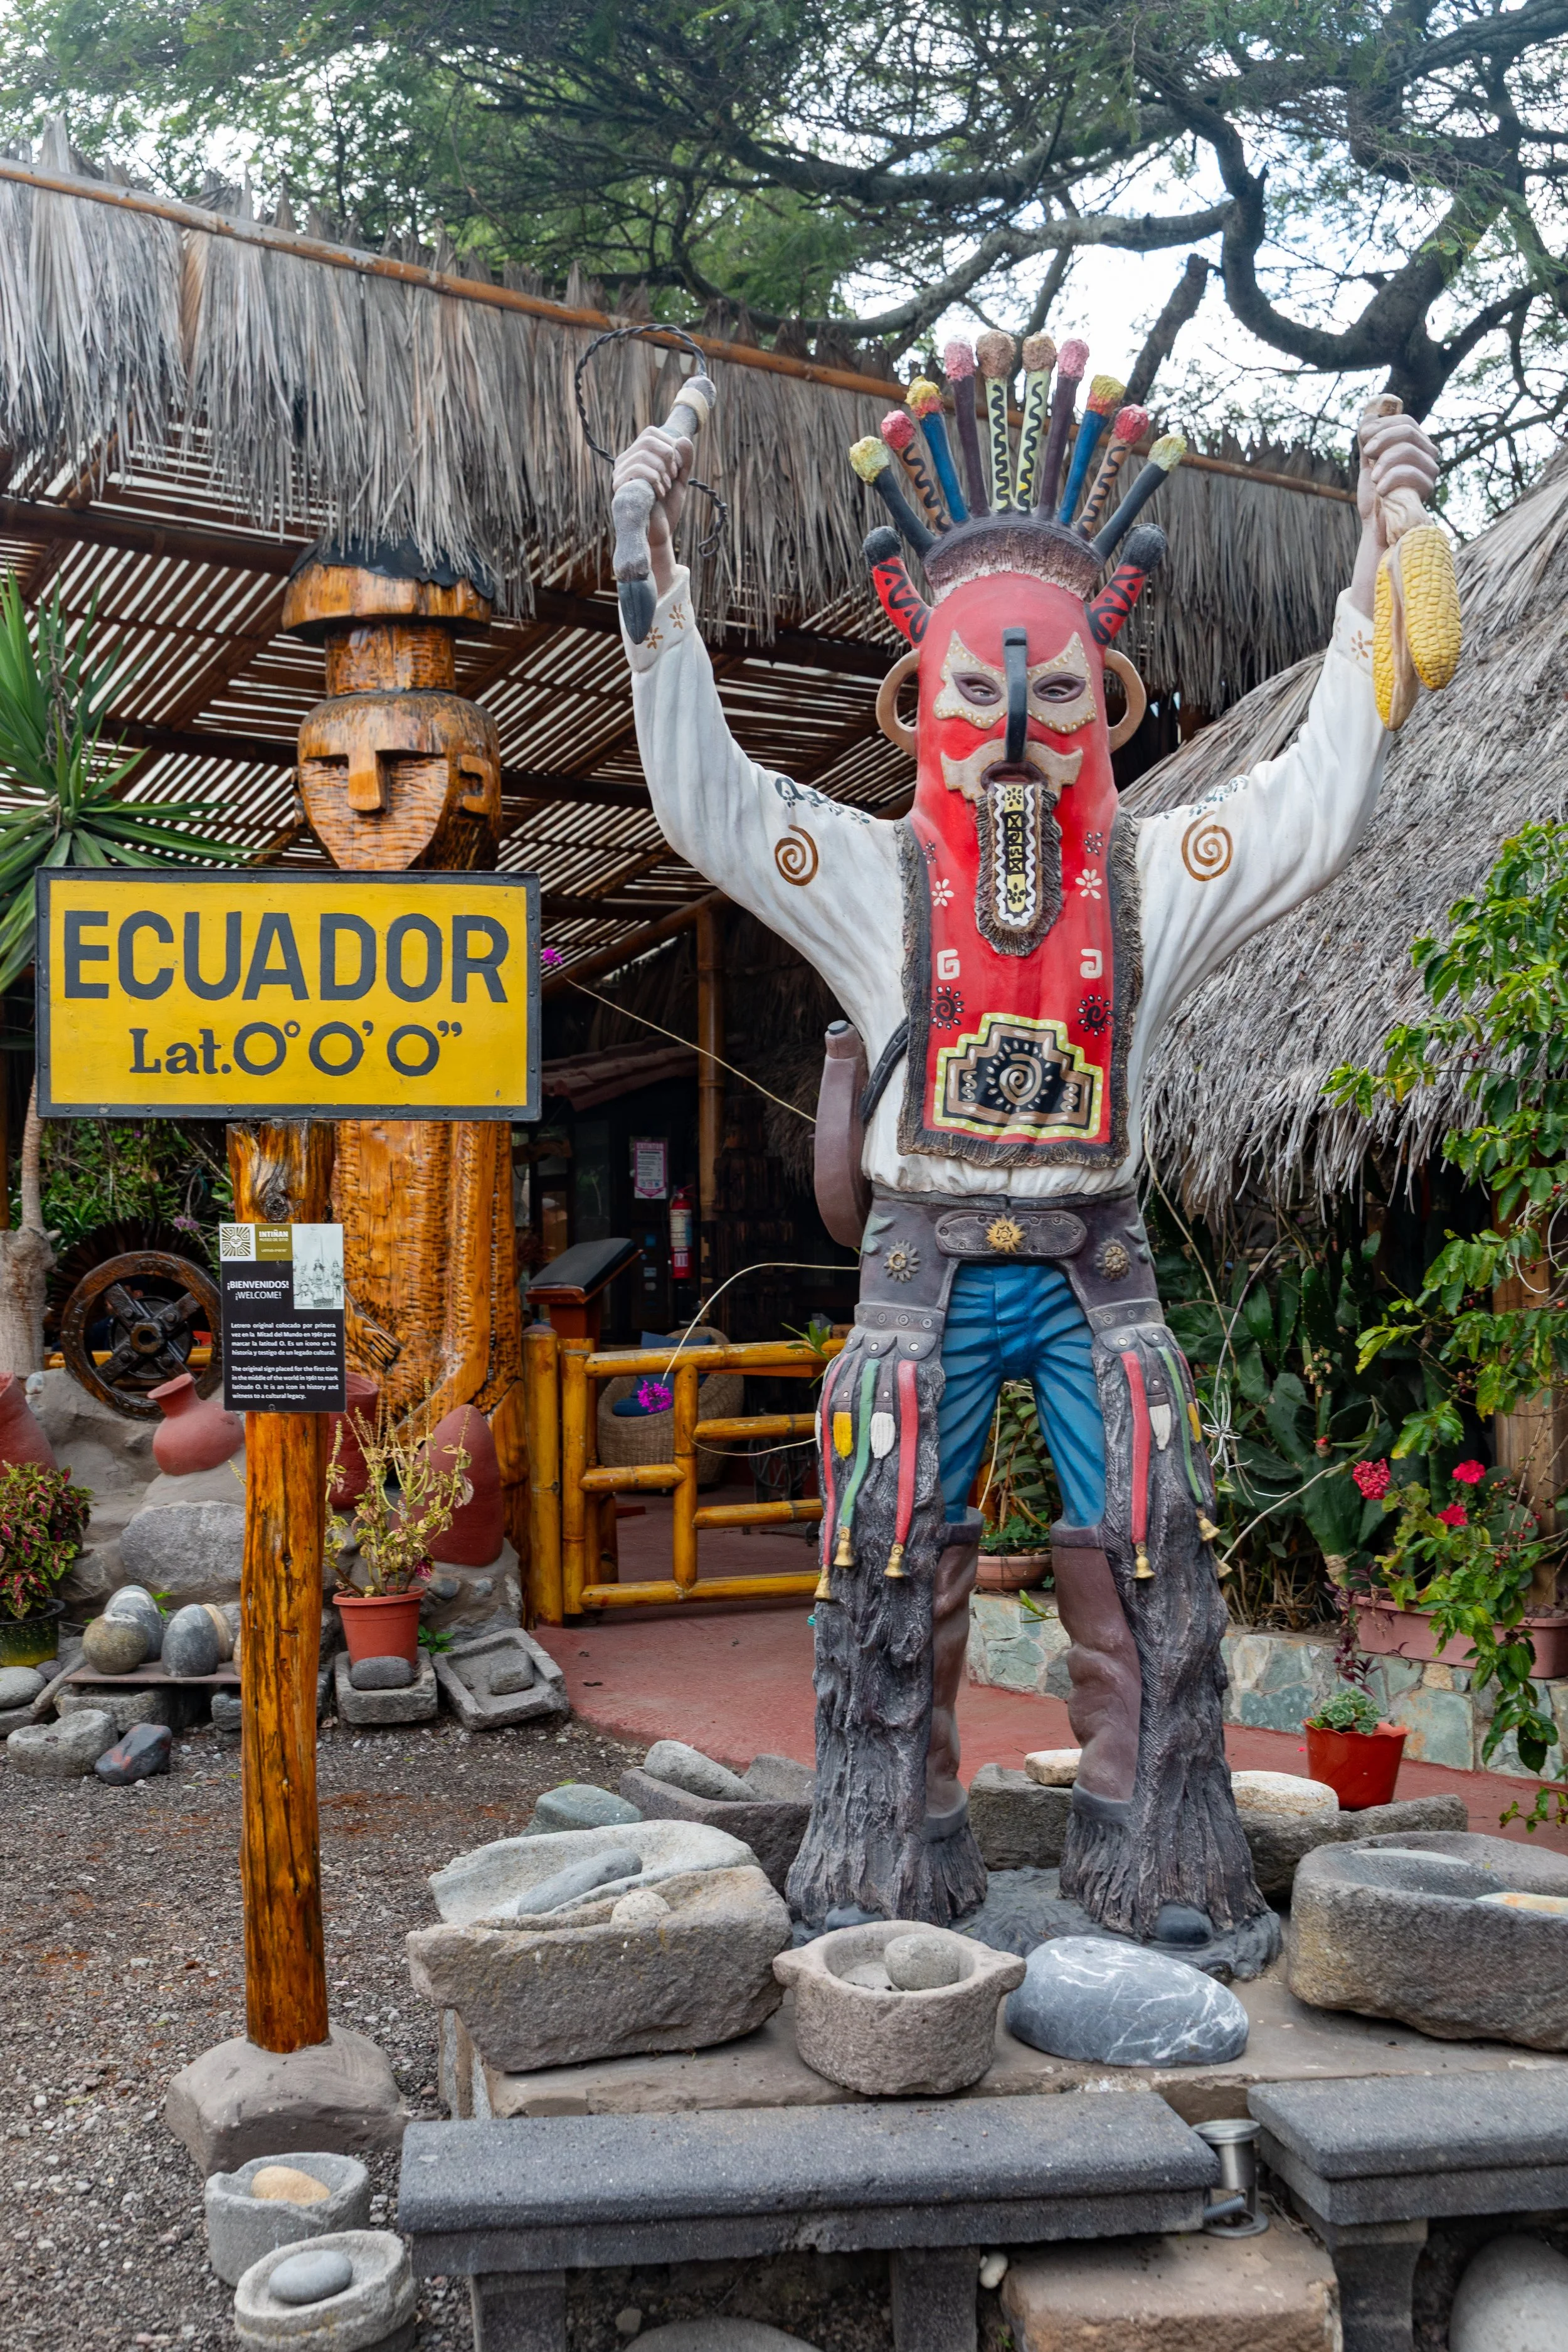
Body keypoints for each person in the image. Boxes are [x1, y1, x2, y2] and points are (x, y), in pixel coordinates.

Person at [610, 353, 1438, 1947]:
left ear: (1105, 709)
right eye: (975, 700)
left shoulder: (1157, 875)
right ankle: (881, 1863)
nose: (1009, 739)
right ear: (916, 706)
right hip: (922, 1268)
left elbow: (1313, 802)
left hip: (1091, 1265)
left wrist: (1365, 582)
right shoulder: (863, 872)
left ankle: (1162, 1867)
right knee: (886, 1556)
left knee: (1145, 1547)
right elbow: (708, 801)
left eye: (1051, 698)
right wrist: (658, 596)